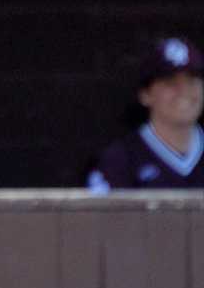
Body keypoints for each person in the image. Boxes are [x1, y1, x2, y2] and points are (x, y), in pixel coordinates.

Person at [86, 36, 202, 192]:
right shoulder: (118, 161)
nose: (184, 92)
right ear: (145, 94)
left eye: (192, 81)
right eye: (170, 83)